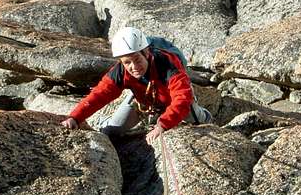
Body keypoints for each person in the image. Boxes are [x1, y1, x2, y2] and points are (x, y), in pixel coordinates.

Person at [61, 27, 212, 144]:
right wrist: (75, 117)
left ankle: (205, 115)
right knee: (112, 131)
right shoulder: (120, 72)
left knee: (196, 120)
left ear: (146, 53)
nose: (134, 67)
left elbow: (181, 98)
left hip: (171, 96)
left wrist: (163, 125)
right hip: (143, 99)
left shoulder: (168, 63)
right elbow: (99, 95)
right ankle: (106, 121)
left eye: (137, 60)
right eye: (127, 62)